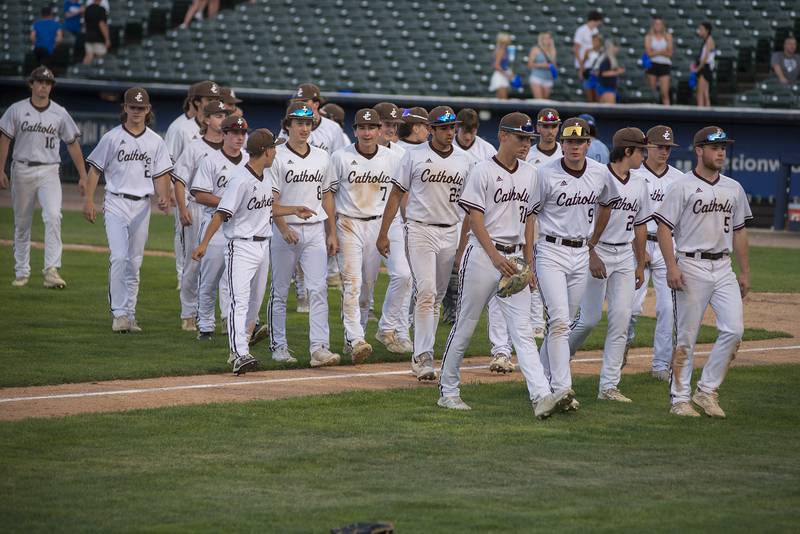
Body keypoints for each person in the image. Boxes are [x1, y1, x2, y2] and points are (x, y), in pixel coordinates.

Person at [437, 112, 570, 417]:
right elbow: (474, 218)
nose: (526, 143)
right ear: (503, 136)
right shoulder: (481, 170)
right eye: (521, 137)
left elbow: (529, 222)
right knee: (466, 324)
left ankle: (541, 397)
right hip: (485, 255)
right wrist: (496, 258)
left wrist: (529, 263)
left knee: (522, 331)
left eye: (529, 139)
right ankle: (449, 390)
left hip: (515, 258)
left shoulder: (530, 174)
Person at [192, 129, 315, 374]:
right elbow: (221, 214)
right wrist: (204, 244)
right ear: (266, 151)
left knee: (253, 302)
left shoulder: (265, 176)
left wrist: (293, 210)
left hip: (262, 246)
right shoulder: (240, 179)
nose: (277, 151)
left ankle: (240, 347)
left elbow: (267, 208)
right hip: (241, 245)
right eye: (274, 148)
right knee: (238, 301)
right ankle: (239, 354)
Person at [653, 126, 752, 418]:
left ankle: (706, 391)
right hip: (691, 264)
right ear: (699, 150)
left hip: (723, 266)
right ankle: (679, 399)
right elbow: (663, 227)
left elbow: (740, 231)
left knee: (734, 330)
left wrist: (744, 271)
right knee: (687, 336)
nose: (721, 152)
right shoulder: (682, 186)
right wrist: (671, 266)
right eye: (714, 147)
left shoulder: (733, 187)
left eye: (723, 147)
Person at [530, 117, 620, 411]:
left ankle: (543, 380)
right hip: (551, 250)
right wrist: (530, 256)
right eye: (569, 141)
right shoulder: (545, 173)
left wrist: (593, 241)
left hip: (581, 252)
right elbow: (530, 215)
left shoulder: (599, 173)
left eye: (580, 142)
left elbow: (608, 203)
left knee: (564, 324)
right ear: (562, 144)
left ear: (588, 144)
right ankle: (563, 388)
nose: (574, 147)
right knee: (557, 321)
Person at [377, 106, 472, 381]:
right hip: (419, 228)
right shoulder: (413, 156)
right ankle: (423, 356)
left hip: (450, 230)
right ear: (430, 129)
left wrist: (464, 243)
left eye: (452, 127)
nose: (449, 132)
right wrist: (384, 233)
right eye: (443, 128)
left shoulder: (465, 160)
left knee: (437, 296)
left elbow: (469, 207)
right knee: (427, 292)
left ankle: (423, 349)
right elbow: (396, 194)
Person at [567, 128, 652, 403]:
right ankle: (554, 364)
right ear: (627, 151)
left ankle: (609, 386)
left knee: (621, 320)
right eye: (641, 151)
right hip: (596, 251)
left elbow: (640, 225)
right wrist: (590, 252)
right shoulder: (598, 176)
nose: (644, 156)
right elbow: (584, 219)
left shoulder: (640, 183)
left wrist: (640, 264)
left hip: (624, 256)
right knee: (588, 319)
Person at [83, 87, 173, 333]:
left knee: (134, 262)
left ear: (148, 109)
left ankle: (130, 314)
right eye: (132, 107)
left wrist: (164, 197)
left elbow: (161, 174)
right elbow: (95, 171)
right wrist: (89, 200)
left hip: (142, 204)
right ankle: (119, 313)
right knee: (119, 257)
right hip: (115, 201)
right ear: (124, 108)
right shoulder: (112, 137)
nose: (136, 111)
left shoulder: (156, 140)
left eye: (141, 108)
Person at [0, 67, 88, 289]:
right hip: (22, 168)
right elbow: (5, 140)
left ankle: (51, 270)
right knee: (22, 223)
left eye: (47, 83)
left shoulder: (59, 112)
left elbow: (72, 143)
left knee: (53, 216)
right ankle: (22, 271)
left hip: (50, 170)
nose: (43, 86)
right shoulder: (16, 109)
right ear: (31, 84)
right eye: (39, 82)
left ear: (51, 86)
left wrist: (83, 175)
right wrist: (0, 169)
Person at [268, 102, 341, 368]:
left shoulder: (322, 156)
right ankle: (279, 345)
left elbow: (328, 196)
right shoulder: (276, 155)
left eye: (308, 123)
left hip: (314, 230)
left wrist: (331, 232)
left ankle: (319, 348)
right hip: (284, 230)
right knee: (280, 290)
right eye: (299, 123)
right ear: (287, 125)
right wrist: (283, 228)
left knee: (318, 289)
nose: (304, 128)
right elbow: (271, 199)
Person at [329, 108, 396, 362]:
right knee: (352, 284)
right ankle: (356, 337)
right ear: (354, 130)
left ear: (379, 131)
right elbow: (329, 195)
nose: (367, 133)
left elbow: (396, 196)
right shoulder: (340, 157)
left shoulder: (391, 159)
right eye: (361, 128)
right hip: (349, 223)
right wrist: (332, 232)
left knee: (368, 287)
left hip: (377, 225)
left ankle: (356, 338)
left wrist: (389, 230)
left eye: (371, 128)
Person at [627, 125, 683, 382]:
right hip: (637, 243)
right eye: (660, 146)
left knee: (667, 308)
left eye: (668, 147)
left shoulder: (679, 179)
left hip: (666, 245)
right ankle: (623, 344)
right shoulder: (633, 173)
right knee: (630, 308)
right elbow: (625, 214)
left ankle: (661, 364)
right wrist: (636, 247)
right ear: (647, 146)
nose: (664, 151)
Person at [190, 114, 250, 341]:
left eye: (243, 133)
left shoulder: (248, 160)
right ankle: (205, 325)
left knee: (234, 279)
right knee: (209, 278)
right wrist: (230, 203)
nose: (239, 137)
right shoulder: (210, 160)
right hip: (214, 226)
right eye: (234, 132)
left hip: (240, 227)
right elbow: (199, 194)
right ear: (224, 134)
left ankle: (229, 320)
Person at [172, 100, 229, 334]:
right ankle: (188, 313)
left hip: (226, 213)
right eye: (217, 115)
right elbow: (180, 180)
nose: (222, 118)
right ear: (206, 119)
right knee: (193, 263)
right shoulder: (195, 147)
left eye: (224, 114)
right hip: (197, 209)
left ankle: (227, 316)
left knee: (227, 266)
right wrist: (182, 209)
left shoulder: (231, 147)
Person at [165, 80, 222, 294]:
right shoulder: (179, 128)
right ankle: (184, 282)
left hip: (214, 199)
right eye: (209, 99)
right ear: (196, 102)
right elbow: (169, 163)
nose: (213, 103)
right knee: (187, 245)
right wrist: (171, 192)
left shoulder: (222, 131)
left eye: (217, 100)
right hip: (189, 196)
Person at [372, 102, 414, 354]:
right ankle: (352, 337)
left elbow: (404, 193)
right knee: (363, 288)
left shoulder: (400, 153)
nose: (391, 128)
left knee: (404, 275)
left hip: (394, 222)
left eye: (394, 124)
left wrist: (408, 221)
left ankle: (395, 329)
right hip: (360, 221)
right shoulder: (351, 152)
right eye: (387, 123)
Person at [644, 16, 674, 105]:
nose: (657, 26)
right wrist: (662, 51)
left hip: (664, 64)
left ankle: (668, 113)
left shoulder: (668, 36)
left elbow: (670, 53)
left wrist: (655, 52)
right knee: (653, 93)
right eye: (656, 24)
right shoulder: (649, 37)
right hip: (653, 64)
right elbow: (648, 53)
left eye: (659, 24)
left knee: (664, 93)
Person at [574, 12, 603, 101]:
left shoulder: (595, 31)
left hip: (594, 65)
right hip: (585, 65)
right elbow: (576, 49)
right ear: (596, 20)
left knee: (597, 92)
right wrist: (581, 66)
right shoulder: (581, 30)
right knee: (589, 92)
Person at [528, 32, 558, 99]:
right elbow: (529, 65)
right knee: (539, 101)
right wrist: (541, 65)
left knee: (545, 102)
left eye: (549, 38)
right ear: (541, 39)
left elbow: (555, 66)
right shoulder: (535, 49)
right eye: (545, 38)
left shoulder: (553, 51)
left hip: (548, 78)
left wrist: (552, 67)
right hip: (537, 77)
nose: (547, 40)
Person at [692, 22, 715, 108]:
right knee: (705, 92)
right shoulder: (706, 41)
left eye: (701, 29)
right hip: (705, 67)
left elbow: (705, 58)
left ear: (707, 30)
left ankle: (700, 111)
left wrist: (698, 69)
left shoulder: (709, 41)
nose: (699, 31)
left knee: (700, 92)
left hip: (705, 67)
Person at [596, 39, 625, 104]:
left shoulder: (611, 59)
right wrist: (618, 72)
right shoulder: (607, 60)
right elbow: (604, 73)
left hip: (610, 88)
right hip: (606, 89)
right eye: (615, 47)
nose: (617, 49)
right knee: (610, 110)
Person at [82, 0, 110, 65]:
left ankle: (84, 71)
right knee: (100, 57)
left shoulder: (87, 9)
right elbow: (102, 24)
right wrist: (107, 39)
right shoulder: (101, 9)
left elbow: (85, 24)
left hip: (88, 37)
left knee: (89, 56)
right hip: (98, 38)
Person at [489, 32, 514, 99]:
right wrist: (506, 74)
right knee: (503, 99)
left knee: (501, 99)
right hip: (500, 76)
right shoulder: (501, 50)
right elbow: (496, 65)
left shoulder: (504, 49)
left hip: (502, 74)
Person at [581, 34, 604, 102]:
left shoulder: (603, 52)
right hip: (590, 76)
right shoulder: (588, 51)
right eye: (593, 41)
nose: (594, 42)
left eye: (596, 41)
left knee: (597, 98)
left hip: (599, 76)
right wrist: (581, 72)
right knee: (590, 98)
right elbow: (583, 62)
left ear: (600, 42)